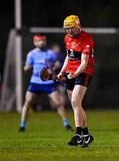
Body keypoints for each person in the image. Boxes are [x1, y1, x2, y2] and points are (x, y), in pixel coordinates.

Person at [19, 35, 74, 132]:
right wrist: (27, 67)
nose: (41, 43)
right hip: (35, 82)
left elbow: (57, 64)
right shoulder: (31, 54)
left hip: (48, 82)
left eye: (42, 41)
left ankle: (67, 124)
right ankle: (22, 125)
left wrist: (56, 66)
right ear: (35, 43)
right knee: (28, 102)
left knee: (58, 103)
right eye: (39, 41)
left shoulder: (51, 53)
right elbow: (26, 68)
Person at [57, 15, 95, 148]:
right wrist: (62, 72)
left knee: (75, 101)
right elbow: (68, 56)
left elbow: (84, 63)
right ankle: (87, 135)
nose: (69, 31)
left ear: (77, 26)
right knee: (76, 105)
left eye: (71, 28)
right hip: (70, 73)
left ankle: (78, 135)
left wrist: (76, 73)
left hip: (83, 72)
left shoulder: (86, 39)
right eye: (67, 29)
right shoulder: (67, 38)